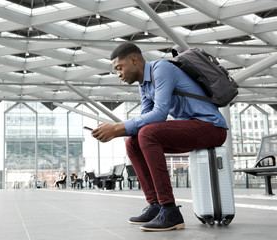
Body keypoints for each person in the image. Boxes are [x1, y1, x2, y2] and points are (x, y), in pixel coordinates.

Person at [91, 42, 228, 231]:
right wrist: (118, 132)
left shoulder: (161, 68)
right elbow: (147, 119)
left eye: (119, 68)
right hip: (192, 127)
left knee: (147, 134)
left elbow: (159, 114)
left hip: (211, 127)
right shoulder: (144, 85)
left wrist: (116, 128)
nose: (118, 74)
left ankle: (169, 209)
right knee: (133, 141)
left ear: (134, 61)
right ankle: (155, 205)